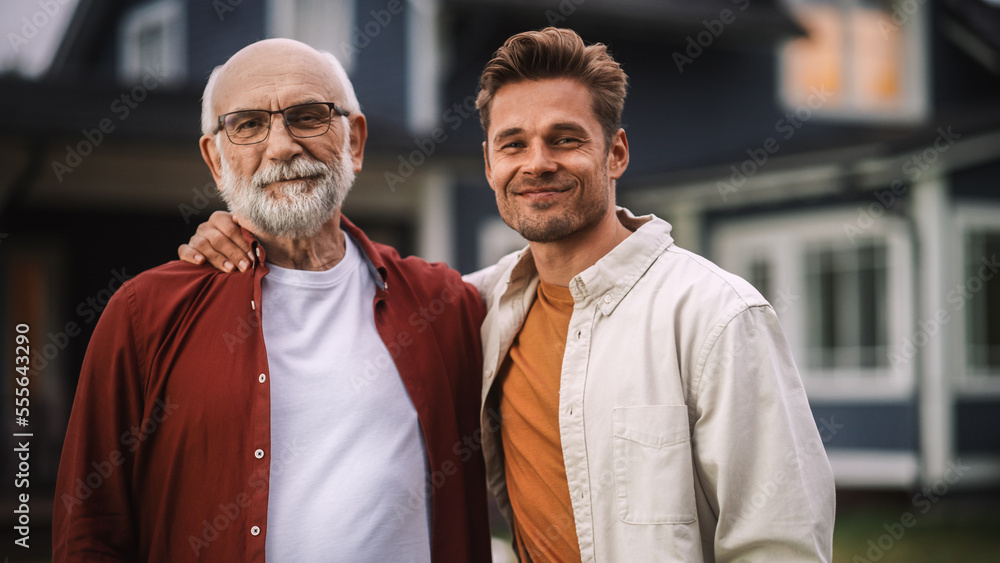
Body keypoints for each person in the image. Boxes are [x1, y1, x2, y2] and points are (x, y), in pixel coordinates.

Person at [181, 28, 836, 562]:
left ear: (616, 154)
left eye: (566, 139)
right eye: (513, 144)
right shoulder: (476, 308)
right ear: (491, 164)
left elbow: (778, 541)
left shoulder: (714, 315)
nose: (537, 162)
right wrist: (246, 228)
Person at [53, 38, 491, 562]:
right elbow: (90, 530)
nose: (282, 147)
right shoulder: (144, 314)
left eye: (308, 117)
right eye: (248, 124)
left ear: (354, 141)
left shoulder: (446, 305)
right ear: (216, 159)